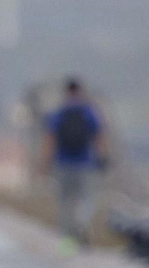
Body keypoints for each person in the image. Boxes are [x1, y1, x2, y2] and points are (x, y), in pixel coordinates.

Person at [43, 76, 107, 250]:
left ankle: (67, 242)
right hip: (85, 163)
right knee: (86, 199)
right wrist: (101, 157)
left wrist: (47, 163)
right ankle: (82, 222)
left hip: (63, 164)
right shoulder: (88, 112)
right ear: (80, 91)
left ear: (66, 91)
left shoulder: (59, 113)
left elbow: (50, 139)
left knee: (64, 203)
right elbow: (99, 136)